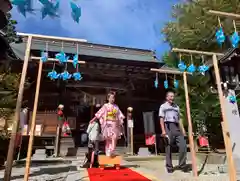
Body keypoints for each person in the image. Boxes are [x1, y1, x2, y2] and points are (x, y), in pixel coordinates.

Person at [159, 90, 188, 173]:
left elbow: (179, 119)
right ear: (167, 97)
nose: (172, 98)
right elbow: (161, 119)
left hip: (176, 127)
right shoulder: (163, 106)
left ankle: (182, 165)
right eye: (170, 96)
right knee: (168, 147)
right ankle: (169, 166)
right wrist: (163, 131)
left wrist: (183, 131)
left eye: (173, 96)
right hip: (168, 126)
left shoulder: (176, 107)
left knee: (183, 146)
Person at [89, 91, 125, 157]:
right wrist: (93, 119)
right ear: (108, 98)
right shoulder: (105, 106)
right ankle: (108, 152)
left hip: (115, 124)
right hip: (108, 124)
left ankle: (112, 150)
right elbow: (100, 113)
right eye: (111, 98)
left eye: (113, 98)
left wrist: (121, 120)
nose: (112, 99)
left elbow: (119, 114)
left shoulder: (116, 106)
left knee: (114, 137)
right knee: (108, 139)